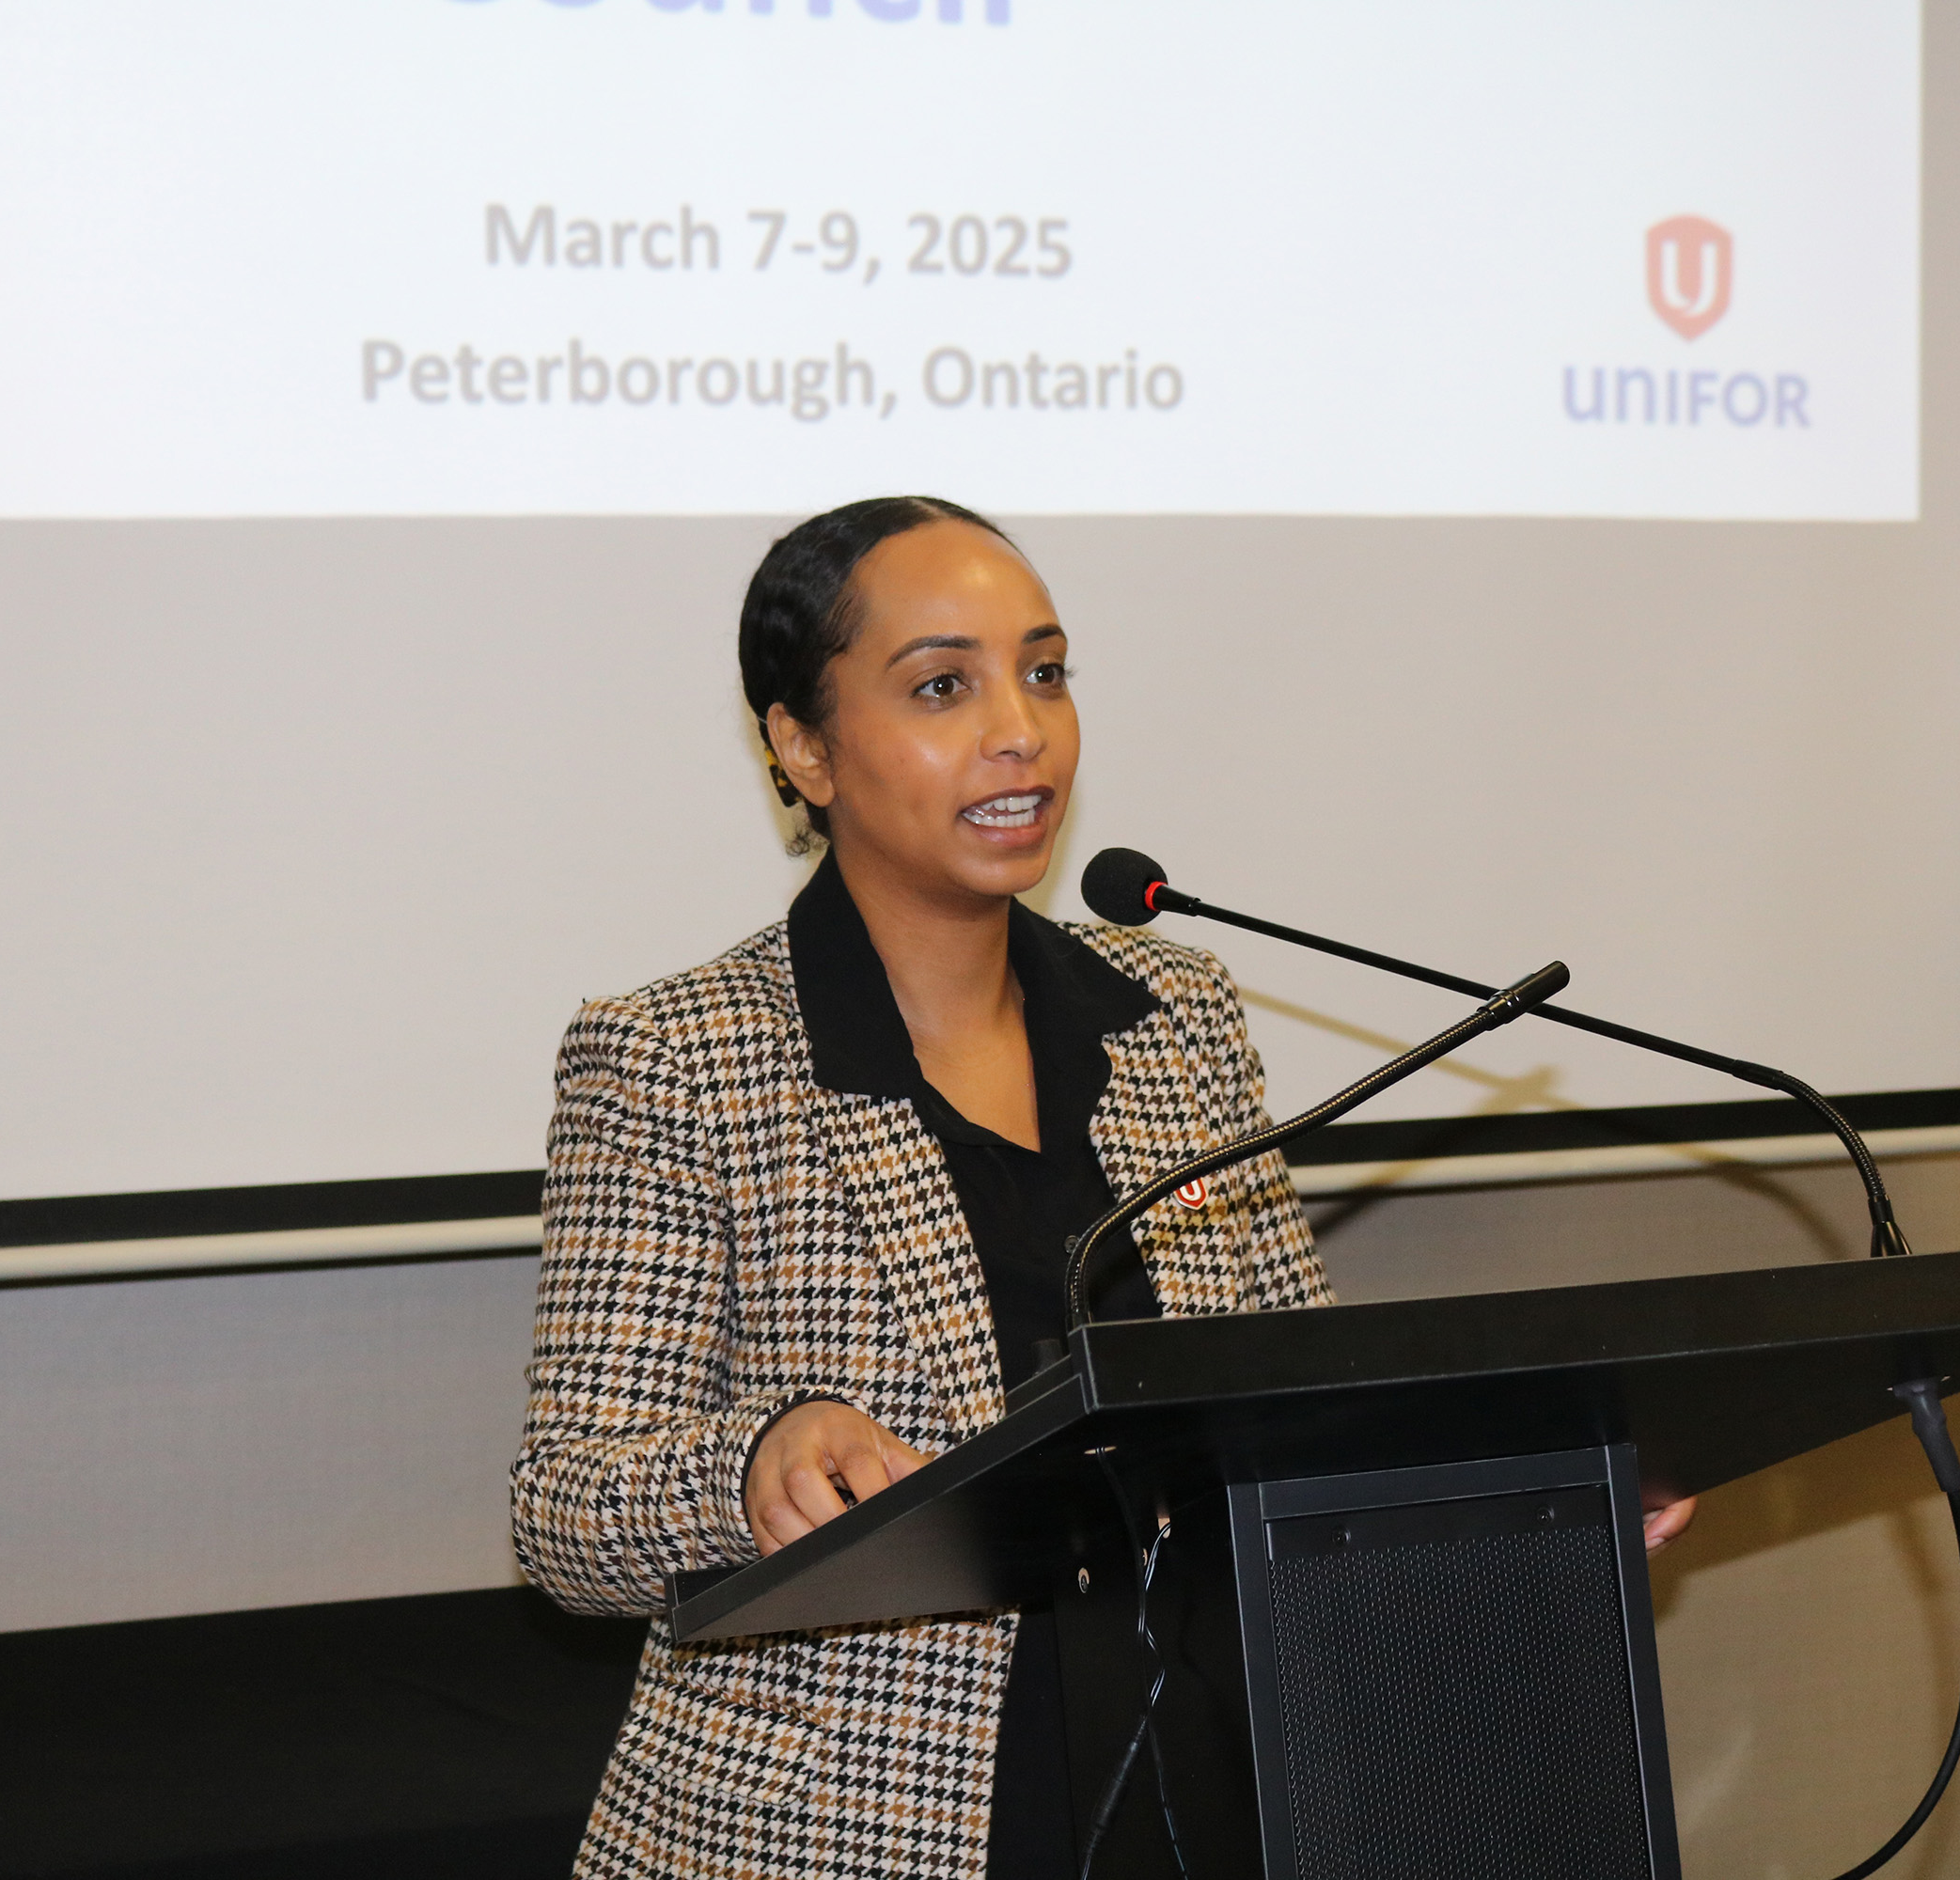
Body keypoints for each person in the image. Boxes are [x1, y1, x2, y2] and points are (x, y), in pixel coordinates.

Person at [510, 497, 1698, 1879]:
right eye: (944, 686)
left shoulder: (1172, 1017)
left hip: (1208, 1778)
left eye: (1048, 671)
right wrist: (757, 1458)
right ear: (800, 744)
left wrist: (1519, 1502)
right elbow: (566, 1509)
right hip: (852, 1822)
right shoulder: (678, 1056)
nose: (1021, 729)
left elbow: (1298, 1406)